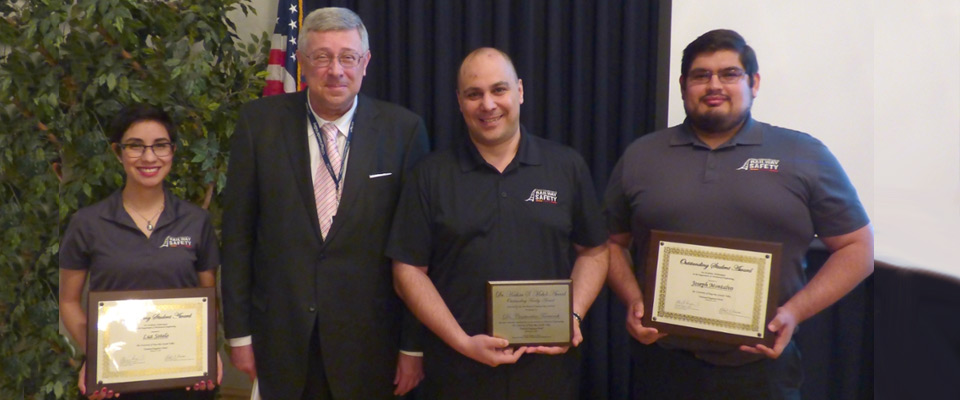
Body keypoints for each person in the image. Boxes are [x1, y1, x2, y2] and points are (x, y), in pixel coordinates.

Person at [604, 29, 874, 399]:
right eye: (701, 75)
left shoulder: (804, 154)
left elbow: (857, 249)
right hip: (662, 366)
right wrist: (634, 299)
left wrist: (794, 312)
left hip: (762, 370)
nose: (714, 85)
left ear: (754, 82)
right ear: (683, 85)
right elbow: (610, 244)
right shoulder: (641, 156)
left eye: (729, 74)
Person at [220, 7, 430, 400]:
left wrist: (412, 346)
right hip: (281, 339)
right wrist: (239, 334)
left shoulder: (404, 131)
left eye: (347, 57)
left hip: (372, 344)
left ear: (365, 63)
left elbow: (415, 250)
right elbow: (237, 237)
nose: (336, 70)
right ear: (301, 63)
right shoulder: (258, 123)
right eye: (322, 57)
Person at [387, 47, 609, 400]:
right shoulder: (429, 175)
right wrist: (462, 343)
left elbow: (595, 252)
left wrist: (573, 316)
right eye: (474, 94)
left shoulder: (566, 166)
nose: (488, 105)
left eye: (499, 90)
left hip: (548, 375)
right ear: (460, 102)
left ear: (519, 91)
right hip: (457, 373)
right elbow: (408, 271)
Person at [59, 104, 221, 400]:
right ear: (117, 152)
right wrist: (97, 357)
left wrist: (208, 352)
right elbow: (69, 302)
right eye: (135, 146)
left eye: (160, 146)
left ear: (172, 151)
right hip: (114, 381)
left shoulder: (196, 221)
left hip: (183, 378)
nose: (149, 157)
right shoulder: (87, 223)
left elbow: (207, 301)